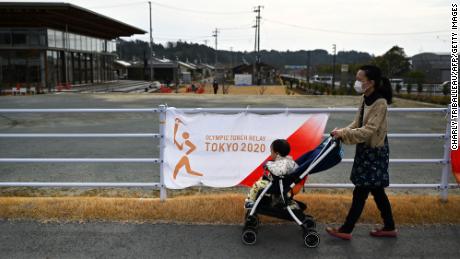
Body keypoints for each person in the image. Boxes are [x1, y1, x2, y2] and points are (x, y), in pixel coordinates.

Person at [326, 65, 397, 240]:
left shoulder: (380, 103)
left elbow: (369, 130)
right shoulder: (364, 98)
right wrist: (342, 131)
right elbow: (357, 122)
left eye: (360, 80)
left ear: (371, 82)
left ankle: (346, 229)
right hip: (366, 151)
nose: (356, 83)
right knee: (377, 191)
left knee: (361, 192)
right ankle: (389, 227)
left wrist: (344, 134)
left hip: (374, 151)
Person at [244, 139, 298, 209]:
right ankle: (280, 202)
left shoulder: (283, 163)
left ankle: (250, 201)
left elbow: (278, 172)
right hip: (283, 184)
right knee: (263, 179)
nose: (271, 154)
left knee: (257, 184)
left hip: (277, 185)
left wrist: (268, 164)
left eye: (271, 152)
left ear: (277, 154)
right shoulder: (290, 161)